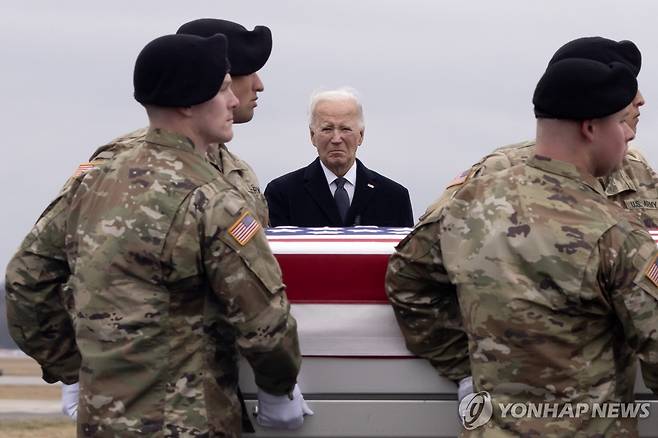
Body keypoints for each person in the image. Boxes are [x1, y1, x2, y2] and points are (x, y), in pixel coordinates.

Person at [11, 33, 312, 436]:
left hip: (101, 421)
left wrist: (72, 371)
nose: (235, 100)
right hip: (189, 422)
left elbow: (26, 282)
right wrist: (278, 392)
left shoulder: (93, 182)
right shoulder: (213, 200)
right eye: (223, 89)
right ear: (189, 102)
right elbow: (264, 320)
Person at [386, 51, 658, 435]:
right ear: (590, 128)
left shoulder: (471, 202)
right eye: (621, 123)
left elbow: (407, 279)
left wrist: (463, 369)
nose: (629, 134)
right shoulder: (615, 233)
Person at [421, 37, 656, 228]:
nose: (640, 100)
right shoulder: (501, 169)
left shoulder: (639, 175)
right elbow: (422, 253)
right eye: (625, 88)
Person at [264, 87, 414, 227]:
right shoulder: (282, 194)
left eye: (345, 129)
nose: (336, 139)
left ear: (361, 135)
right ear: (312, 136)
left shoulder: (394, 197)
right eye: (327, 129)